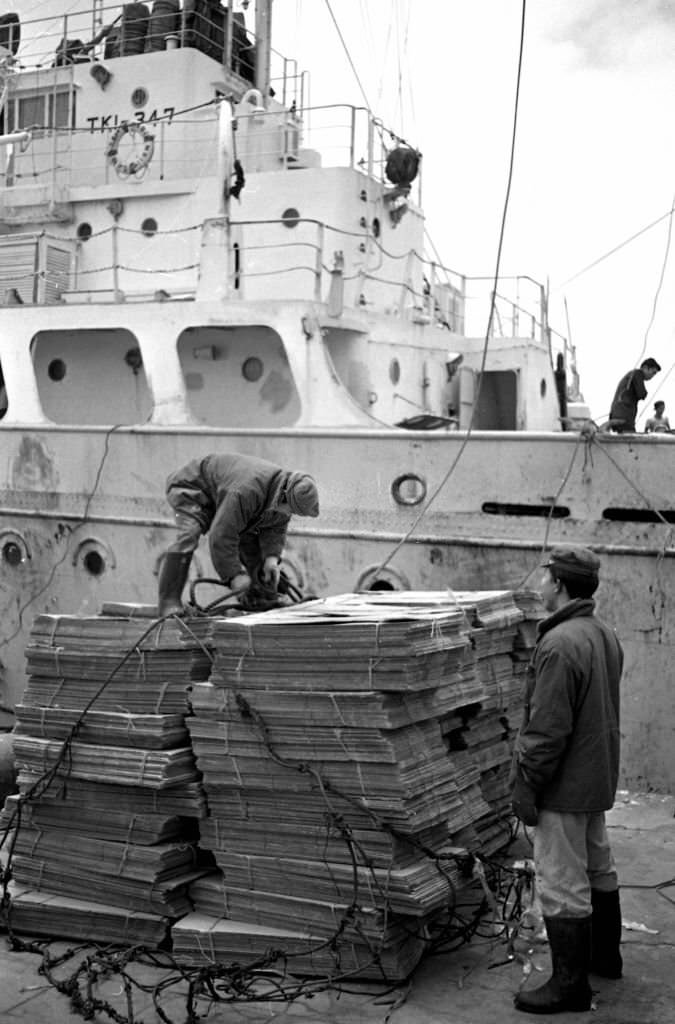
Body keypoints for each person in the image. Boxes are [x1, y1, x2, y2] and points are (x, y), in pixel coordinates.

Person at [510, 546, 624, 1015]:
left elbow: (547, 730)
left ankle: (570, 986)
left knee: (561, 882)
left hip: (563, 783)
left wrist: (526, 784)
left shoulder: (557, 644)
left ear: (557, 584)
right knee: (598, 866)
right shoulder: (603, 633)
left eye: (545, 575)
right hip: (595, 777)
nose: (540, 582)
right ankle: (605, 958)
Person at [157, 453, 319, 615]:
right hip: (193, 487)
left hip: (225, 494)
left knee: (252, 546)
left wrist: (271, 559)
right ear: (284, 497)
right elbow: (221, 536)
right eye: (292, 510)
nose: (291, 514)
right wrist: (235, 576)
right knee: (189, 534)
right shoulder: (245, 492)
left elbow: (275, 527)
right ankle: (169, 602)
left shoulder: (285, 490)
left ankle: (261, 600)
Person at [608, 357, 661, 432]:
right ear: (645, 368)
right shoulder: (638, 374)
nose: (652, 376)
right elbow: (641, 393)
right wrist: (645, 393)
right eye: (653, 372)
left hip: (617, 416)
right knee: (630, 441)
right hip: (623, 418)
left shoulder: (632, 374)